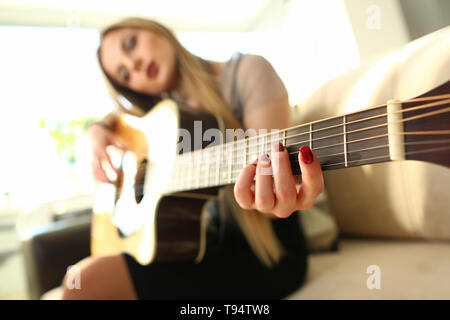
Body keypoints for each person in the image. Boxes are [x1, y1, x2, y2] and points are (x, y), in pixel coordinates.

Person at [61, 17, 324, 300]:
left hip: (266, 250)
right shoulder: (159, 115)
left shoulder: (248, 72)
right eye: (125, 75)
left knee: (83, 282)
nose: (135, 66)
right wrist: (96, 130)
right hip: (196, 245)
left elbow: (274, 190)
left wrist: (276, 198)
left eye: (131, 44)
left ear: (155, 29)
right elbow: (119, 120)